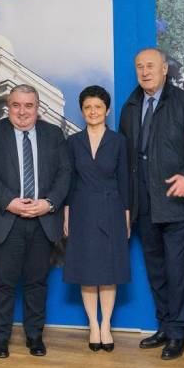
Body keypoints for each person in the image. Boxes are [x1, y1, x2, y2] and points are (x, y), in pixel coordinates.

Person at [119, 48, 184, 360]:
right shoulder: (130, 106)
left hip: (178, 203)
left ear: (164, 69)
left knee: (178, 271)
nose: (145, 72)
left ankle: (177, 332)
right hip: (144, 204)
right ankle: (164, 325)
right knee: (156, 271)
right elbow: (126, 159)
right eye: (139, 67)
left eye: (150, 66)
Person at [0, 84, 72, 359]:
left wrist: (49, 203)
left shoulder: (53, 134)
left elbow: (65, 173)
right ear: (8, 106)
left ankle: (35, 336)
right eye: (16, 105)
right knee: (3, 283)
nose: (22, 111)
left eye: (28, 105)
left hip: (43, 219)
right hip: (7, 218)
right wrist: (10, 202)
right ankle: (1, 338)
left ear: (37, 108)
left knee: (37, 283)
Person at [63, 85, 130, 352]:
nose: (93, 111)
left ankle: (106, 326)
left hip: (112, 209)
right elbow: (69, 181)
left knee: (109, 271)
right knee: (87, 272)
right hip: (81, 211)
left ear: (107, 110)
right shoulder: (72, 142)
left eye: (98, 107)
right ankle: (93, 325)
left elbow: (124, 181)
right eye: (88, 107)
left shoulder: (118, 141)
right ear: (82, 111)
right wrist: (66, 214)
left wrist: (126, 216)